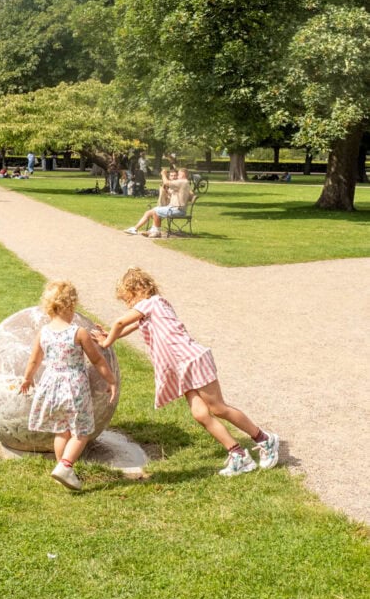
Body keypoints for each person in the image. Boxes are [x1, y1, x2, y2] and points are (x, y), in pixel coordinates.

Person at [93, 268, 279, 477]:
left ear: (141, 289)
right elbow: (129, 326)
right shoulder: (147, 312)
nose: (129, 305)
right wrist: (110, 336)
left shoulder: (153, 302)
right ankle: (238, 455)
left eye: (129, 299)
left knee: (218, 408)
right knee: (200, 414)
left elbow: (121, 322)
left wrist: (108, 342)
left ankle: (264, 439)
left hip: (192, 360)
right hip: (181, 368)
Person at [20, 280, 117, 491]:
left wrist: (27, 378)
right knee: (81, 432)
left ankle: (62, 470)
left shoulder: (44, 332)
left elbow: (34, 361)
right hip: (74, 388)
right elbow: (98, 360)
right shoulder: (78, 332)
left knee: (61, 430)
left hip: (51, 387)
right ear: (70, 305)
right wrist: (111, 380)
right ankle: (65, 466)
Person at [124, 167, 190, 237]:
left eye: (178, 174)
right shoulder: (184, 183)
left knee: (154, 211)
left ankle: (140, 229)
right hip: (175, 208)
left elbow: (166, 182)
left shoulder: (183, 182)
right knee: (153, 212)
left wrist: (163, 174)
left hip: (177, 210)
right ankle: (152, 231)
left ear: (183, 175)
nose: (177, 176)